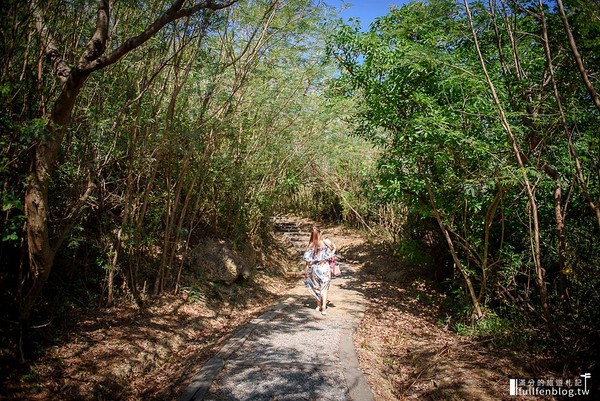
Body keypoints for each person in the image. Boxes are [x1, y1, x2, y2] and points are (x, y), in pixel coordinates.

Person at [303, 226, 336, 315]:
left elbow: (307, 260)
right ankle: (324, 308)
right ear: (320, 233)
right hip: (325, 267)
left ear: (311, 234)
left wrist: (306, 271)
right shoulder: (326, 242)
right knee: (324, 288)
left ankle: (318, 305)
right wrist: (332, 253)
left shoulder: (311, 245)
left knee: (316, 288)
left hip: (315, 268)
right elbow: (333, 250)